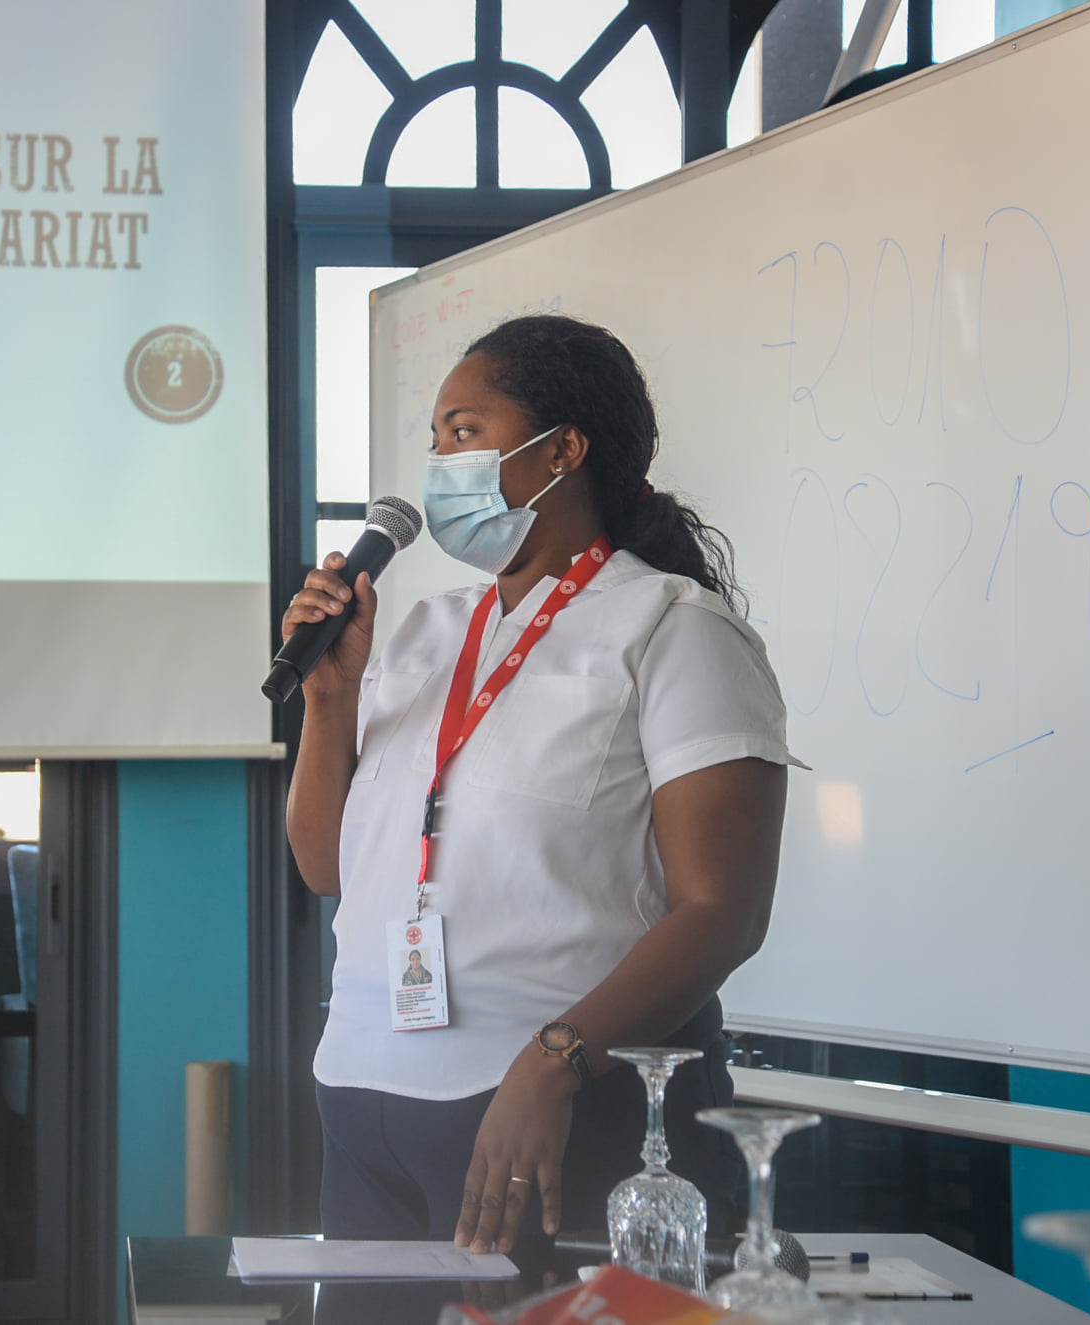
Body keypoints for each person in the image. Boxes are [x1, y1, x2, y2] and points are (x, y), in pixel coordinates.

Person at [282, 313, 801, 1260]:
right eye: (435, 439)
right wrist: (329, 696)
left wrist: (555, 1061)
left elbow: (722, 909)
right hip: (362, 1096)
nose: (440, 463)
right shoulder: (424, 634)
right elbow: (327, 867)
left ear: (562, 450)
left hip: (548, 1109)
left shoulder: (672, 630)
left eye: (465, 432)